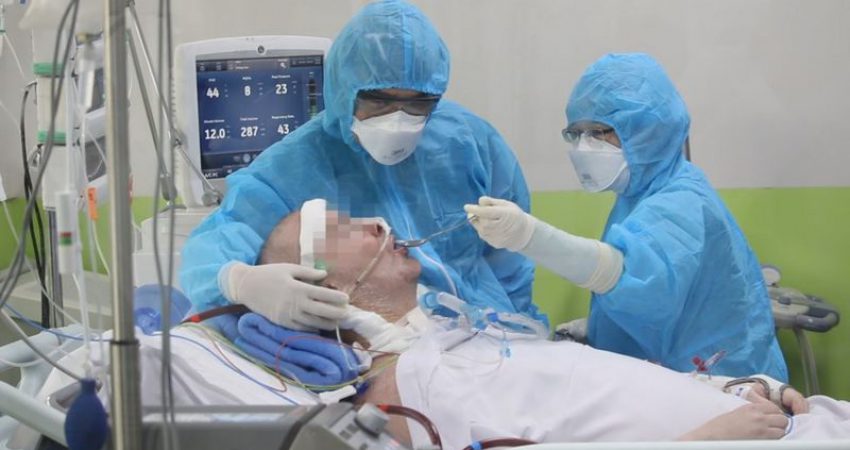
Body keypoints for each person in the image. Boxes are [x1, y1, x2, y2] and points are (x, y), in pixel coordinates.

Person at [253, 203, 847, 449]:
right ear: (326, 291)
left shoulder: (457, 337)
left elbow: (597, 388)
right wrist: (706, 441)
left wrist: (735, 388)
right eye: (342, 229)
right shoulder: (410, 387)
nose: (377, 223)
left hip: (791, 422)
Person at [179, 0, 541, 334]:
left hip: (493, 337)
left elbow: (509, 257)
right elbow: (215, 245)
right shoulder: (289, 169)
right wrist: (238, 281)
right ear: (343, 89)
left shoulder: (468, 141)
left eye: (418, 104)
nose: (398, 119)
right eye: (379, 101)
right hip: (386, 351)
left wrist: (521, 327)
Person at [464, 53, 787, 380]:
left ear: (648, 130)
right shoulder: (638, 196)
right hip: (676, 376)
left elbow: (631, 278)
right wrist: (599, 327)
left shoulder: (683, 201)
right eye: (576, 133)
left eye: (598, 132)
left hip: (724, 383)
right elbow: (665, 299)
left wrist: (526, 236)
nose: (583, 147)